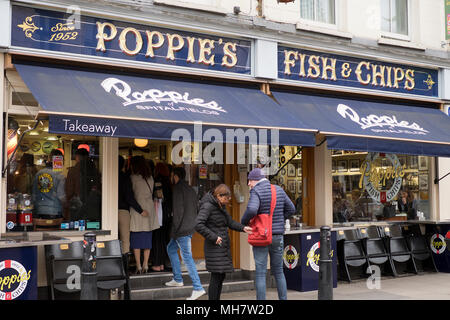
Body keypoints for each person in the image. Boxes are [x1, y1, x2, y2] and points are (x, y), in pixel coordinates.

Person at [241, 168, 295, 300]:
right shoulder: (278, 189)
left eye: (249, 181)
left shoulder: (256, 191)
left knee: (260, 273)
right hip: (277, 235)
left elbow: (252, 209)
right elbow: (291, 209)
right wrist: (280, 219)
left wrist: (244, 222)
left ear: (255, 180)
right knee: (278, 271)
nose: (248, 184)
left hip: (262, 235)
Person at [195, 184, 252, 300]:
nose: (227, 201)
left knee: (220, 276)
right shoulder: (208, 206)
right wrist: (214, 237)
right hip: (214, 247)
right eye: (226, 198)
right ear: (219, 196)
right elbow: (198, 224)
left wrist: (243, 228)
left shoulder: (220, 206)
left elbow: (229, 222)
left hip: (221, 247)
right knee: (216, 277)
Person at [165, 166, 206, 300]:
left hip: (181, 229)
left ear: (175, 175)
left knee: (187, 258)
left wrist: (175, 231)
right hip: (189, 227)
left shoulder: (177, 189)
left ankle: (198, 287)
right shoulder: (190, 189)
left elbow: (178, 213)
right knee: (171, 248)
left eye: (171, 175)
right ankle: (177, 278)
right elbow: (197, 208)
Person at [129, 156, 159, 274]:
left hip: (137, 210)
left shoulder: (132, 178)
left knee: (136, 238)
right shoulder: (150, 178)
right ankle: (146, 264)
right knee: (147, 238)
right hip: (149, 209)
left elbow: (131, 195)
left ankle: (138, 265)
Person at [118, 155, 145, 255]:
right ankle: (124, 266)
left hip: (109, 211)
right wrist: (140, 210)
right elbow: (129, 197)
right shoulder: (125, 177)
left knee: (111, 238)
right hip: (123, 211)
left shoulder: (108, 175)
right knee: (125, 240)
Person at [66, 147, 101, 221]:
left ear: (77, 157)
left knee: (76, 227)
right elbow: (98, 186)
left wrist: (67, 201)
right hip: (93, 205)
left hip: (78, 204)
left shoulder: (73, 171)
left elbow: (69, 190)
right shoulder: (95, 170)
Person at [149, 162, 172, 271]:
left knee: (157, 239)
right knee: (163, 239)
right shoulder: (169, 181)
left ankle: (157, 264)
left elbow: (158, 196)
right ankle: (163, 263)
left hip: (159, 214)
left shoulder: (158, 180)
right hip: (167, 215)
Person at [32, 149, 65, 218]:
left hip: (39, 211)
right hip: (55, 211)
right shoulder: (60, 176)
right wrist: (68, 204)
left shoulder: (38, 174)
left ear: (49, 159)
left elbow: (34, 195)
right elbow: (61, 196)